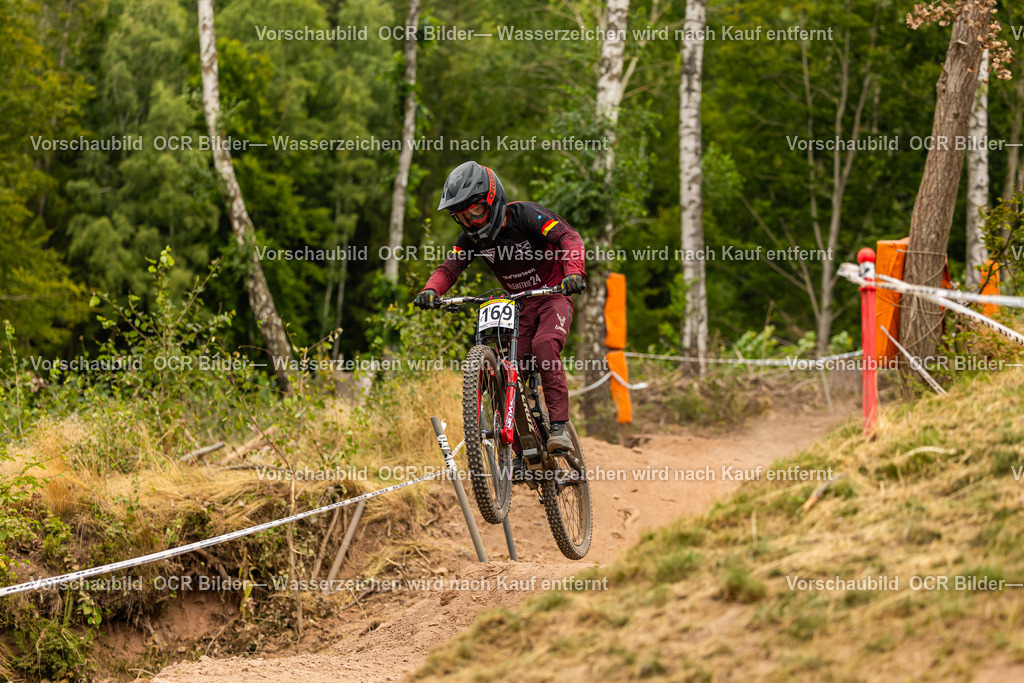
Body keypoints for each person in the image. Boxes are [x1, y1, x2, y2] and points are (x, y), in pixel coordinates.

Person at [414, 160, 586, 455]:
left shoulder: (528, 215)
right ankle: (519, 451)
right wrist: (431, 290)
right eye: (463, 217)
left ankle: (559, 428)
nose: (472, 223)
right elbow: (450, 268)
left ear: (493, 200)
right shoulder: (471, 239)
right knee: (504, 372)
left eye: (477, 212)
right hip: (519, 307)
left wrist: (573, 272)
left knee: (545, 345)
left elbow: (569, 238)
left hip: (552, 296)